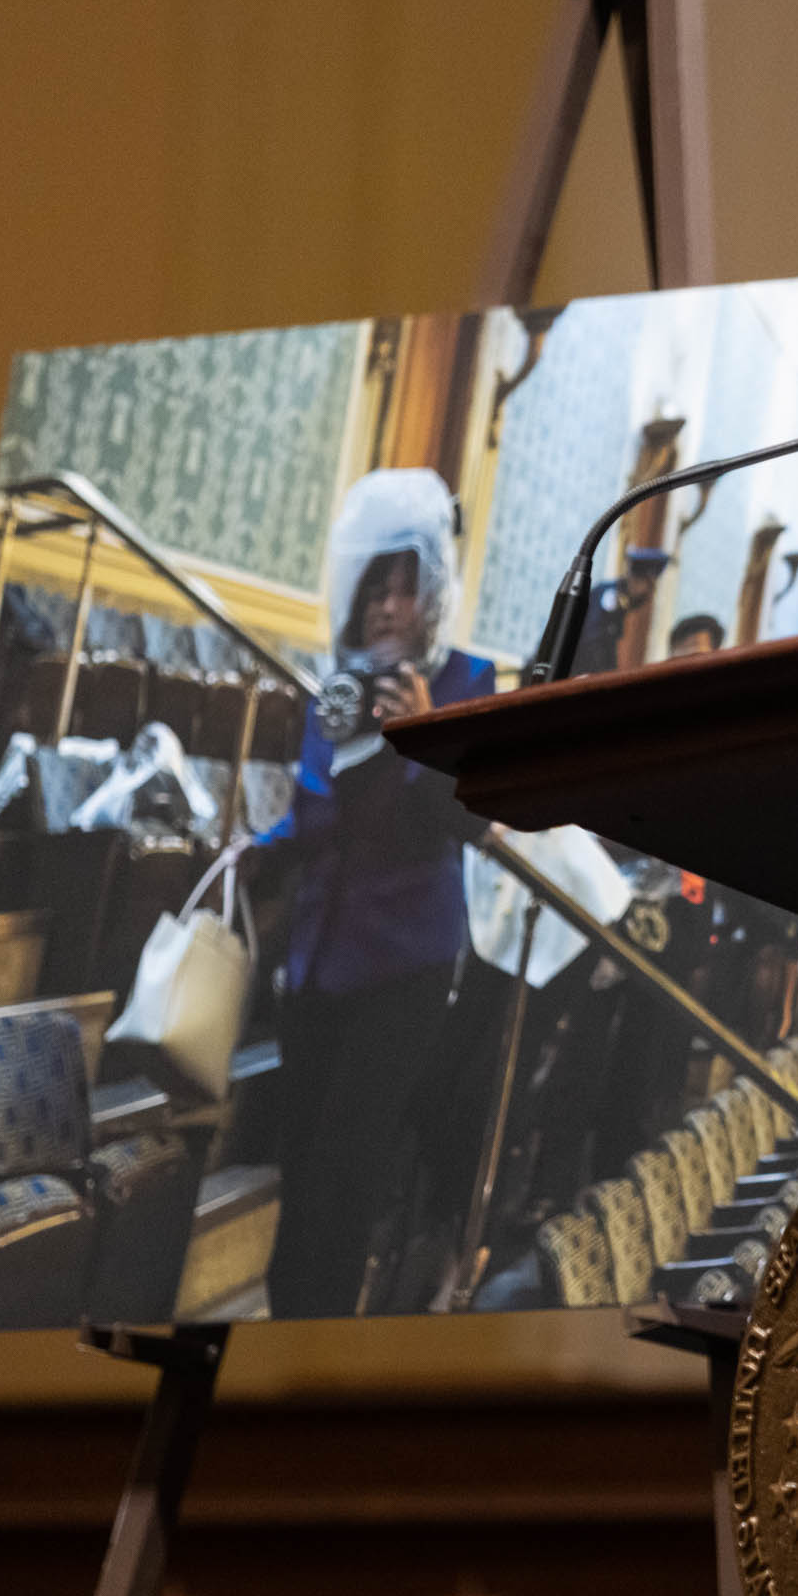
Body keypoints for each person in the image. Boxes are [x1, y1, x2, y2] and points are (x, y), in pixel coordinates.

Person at [261, 469, 496, 1317]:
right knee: (299, 1173)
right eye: (378, 587)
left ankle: (320, 1351)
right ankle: (284, 1331)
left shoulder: (471, 682)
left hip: (405, 968)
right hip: (317, 964)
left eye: (409, 587)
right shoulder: (337, 687)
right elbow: (310, 819)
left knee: (347, 1177)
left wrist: (423, 731)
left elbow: (462, 822)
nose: (392, 606)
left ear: (435, 594)